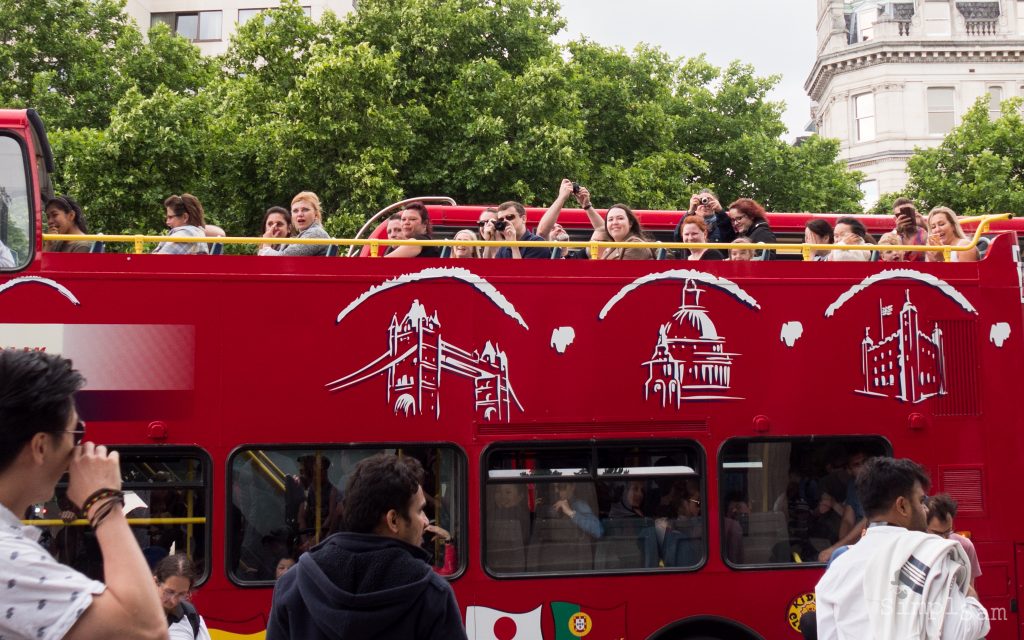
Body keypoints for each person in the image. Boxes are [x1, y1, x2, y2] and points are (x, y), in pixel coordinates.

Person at [0, 350, 166, 639]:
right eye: (75, 431)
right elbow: (147, 630)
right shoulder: (7, 557)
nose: (79, 447)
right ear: (40, 446)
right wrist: (103, 503)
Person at [267, 453, 467, 639]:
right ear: (393, 520)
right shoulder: (432, 594)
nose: (425, 521)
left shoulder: (292, 585)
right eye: (421, 510)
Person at [815, 457, 989, 639]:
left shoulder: (837, 569)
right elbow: (960, 632)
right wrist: (971, 600)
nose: (926, 510)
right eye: (921, 501)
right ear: (902, 506)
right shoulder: (930, 557)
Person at [927, 494, 982, 588]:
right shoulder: (917, 547)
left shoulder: (965, 546)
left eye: (948, 531)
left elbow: (970, 588)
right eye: (937, 534)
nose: (944, 539)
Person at [154, 554, 212, 640]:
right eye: (169, 592)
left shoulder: (191, 617)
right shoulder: (134, 614)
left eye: (182, 594)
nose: (173, 601)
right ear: (155, 582)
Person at [260, 192, 331, 257]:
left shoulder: (316, 233)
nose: (299, 214)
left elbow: (284, 259)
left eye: (305, 209)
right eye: (295, 211)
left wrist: (266, 244)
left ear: (316, 214)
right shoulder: (303, 236)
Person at [892, 198, 928, 262]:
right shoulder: (892, 236)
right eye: (902, 215)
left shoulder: (924, 233)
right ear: (895, 219)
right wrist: (898, 231)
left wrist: (923, 224)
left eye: (909, 212)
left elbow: (938, 247)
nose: (907, 218)